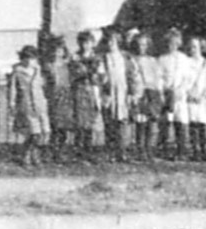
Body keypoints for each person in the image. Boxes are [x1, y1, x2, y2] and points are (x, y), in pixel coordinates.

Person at [7, 44, 49, 167]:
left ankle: (35, 154)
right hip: (26, 105)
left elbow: (44, 86)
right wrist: (12, 103)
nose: (29, 61)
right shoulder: (18, 72)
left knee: (43, 133)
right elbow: (12, 89)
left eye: (32, 58)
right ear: (22, 59)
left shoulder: (39, 70)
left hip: (40, 104)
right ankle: (26, 156)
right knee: (33, 133)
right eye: (27, 58)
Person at [159, 30, 198, 159]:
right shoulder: (162, 59)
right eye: (170, 43)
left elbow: (188, 78)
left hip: (180, 94)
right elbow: (159, 77)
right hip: (167, 94)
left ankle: (181, 151)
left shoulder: (183, 59)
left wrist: (181, 89)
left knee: (180, 122)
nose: (172, 45)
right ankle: (164, 150)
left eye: (175, 43)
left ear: (179, 43)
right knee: (165, 121)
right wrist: (164, 89)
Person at [126, 31, 162, 159]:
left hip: (151, 92)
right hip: (138, 92)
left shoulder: (152, 60)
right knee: (140, 121)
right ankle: (140, 149)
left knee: (150, 122)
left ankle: (149, 148)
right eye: (140, 45)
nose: (142, 47)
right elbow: (131, 77)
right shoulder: (132, 60)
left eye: (144, 45)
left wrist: (157, 92)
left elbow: (157, 78)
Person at [97, 29, 131, 161]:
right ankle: (110, 151)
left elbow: (132, 75)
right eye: (109, 41)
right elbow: (100, 76)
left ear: (118, 42)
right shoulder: (103, 58)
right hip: (109, 92)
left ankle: (122, 151)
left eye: (113, 41)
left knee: (122, 121)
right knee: (110, 121)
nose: (111, 44)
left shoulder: (125, 57)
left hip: (122, 91)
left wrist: (132, 92)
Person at [69, 30, 104, 156]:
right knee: (79, 119)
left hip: (92, 90)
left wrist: (95, 75)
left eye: (88, 42)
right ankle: (78, 148)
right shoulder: (75, 57)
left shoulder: (97, 57)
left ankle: (88, 148)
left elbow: (99, 75)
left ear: (93, 43)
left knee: (90, 119)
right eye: (83, 42)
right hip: (79, 89)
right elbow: (73, 73)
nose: (86, 45)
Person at [42, 35, 73, 152]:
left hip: (66, 97)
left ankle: (61, 150)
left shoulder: (67, 65)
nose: (58, 53)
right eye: (56, 50)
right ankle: (53, 150)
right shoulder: (48, 66)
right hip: (54, 97)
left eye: (61, 50)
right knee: (54, 125)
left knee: (64, 127)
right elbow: (45, 83)